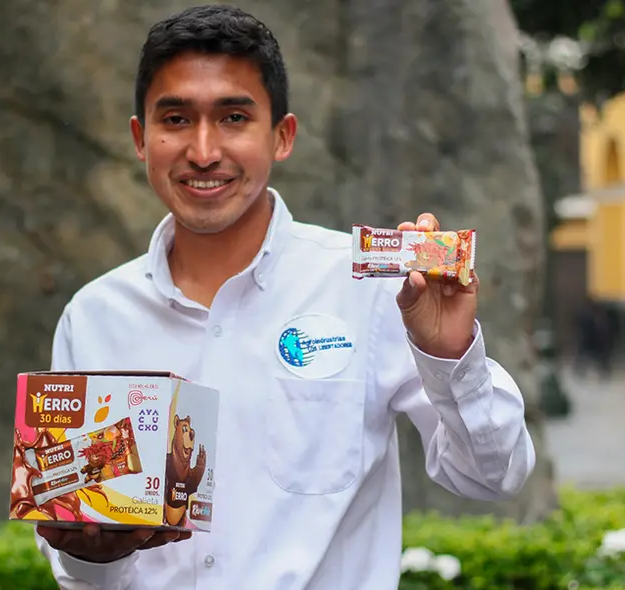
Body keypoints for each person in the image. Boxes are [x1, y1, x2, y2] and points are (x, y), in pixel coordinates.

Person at [35, 5, 535, 589]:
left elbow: (493, 477)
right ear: (140, 139)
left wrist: (450, 356)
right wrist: (89, 554)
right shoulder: (94, 318)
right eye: (176, 118)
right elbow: (81, 565)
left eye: (234, 117)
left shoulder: (369, 292)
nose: (203, 151)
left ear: (282, 136)